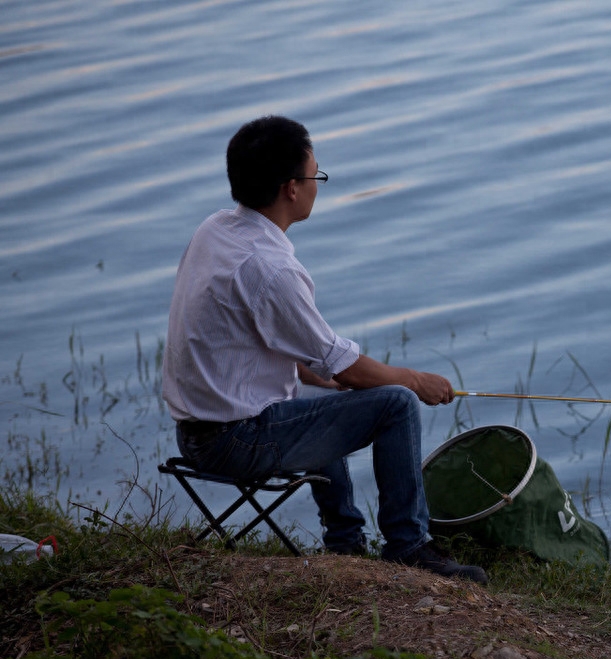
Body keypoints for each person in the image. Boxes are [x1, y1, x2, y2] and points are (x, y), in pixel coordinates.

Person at [161, 115, 486, 585]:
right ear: (291, 188)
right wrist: (416, 380)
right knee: (394, 404)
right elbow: (345, 367)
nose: (318, 185)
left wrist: (322, 377)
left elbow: (250, 338)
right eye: (317, 176)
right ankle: (409, 546)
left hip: (194, 432)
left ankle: (345, 541)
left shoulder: (215, 230)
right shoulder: (271, 268)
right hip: (235, 441)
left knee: (327, 397)